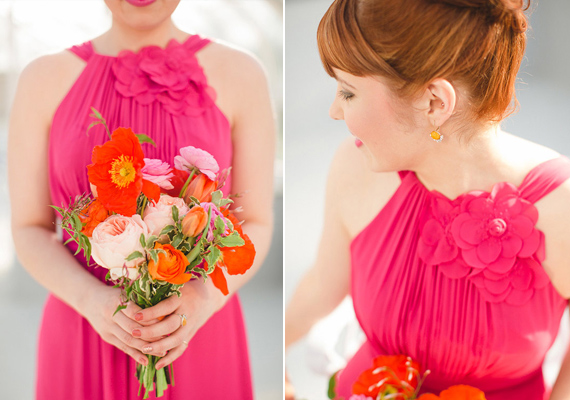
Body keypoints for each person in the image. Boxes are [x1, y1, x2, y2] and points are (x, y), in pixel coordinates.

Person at [285, 0, 570, 399]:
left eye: (348, 92)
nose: (334, 111)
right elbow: (322, 286)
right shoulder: (356, 166)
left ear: (435, 102)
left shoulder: (562, 206)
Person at [8, 0, 275, 398]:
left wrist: (201, 300)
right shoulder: (43, 79)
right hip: (84, 324)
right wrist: (93, 301)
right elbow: (29, 227)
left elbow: (256, 221)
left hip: (196, 325)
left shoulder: (241, 73)